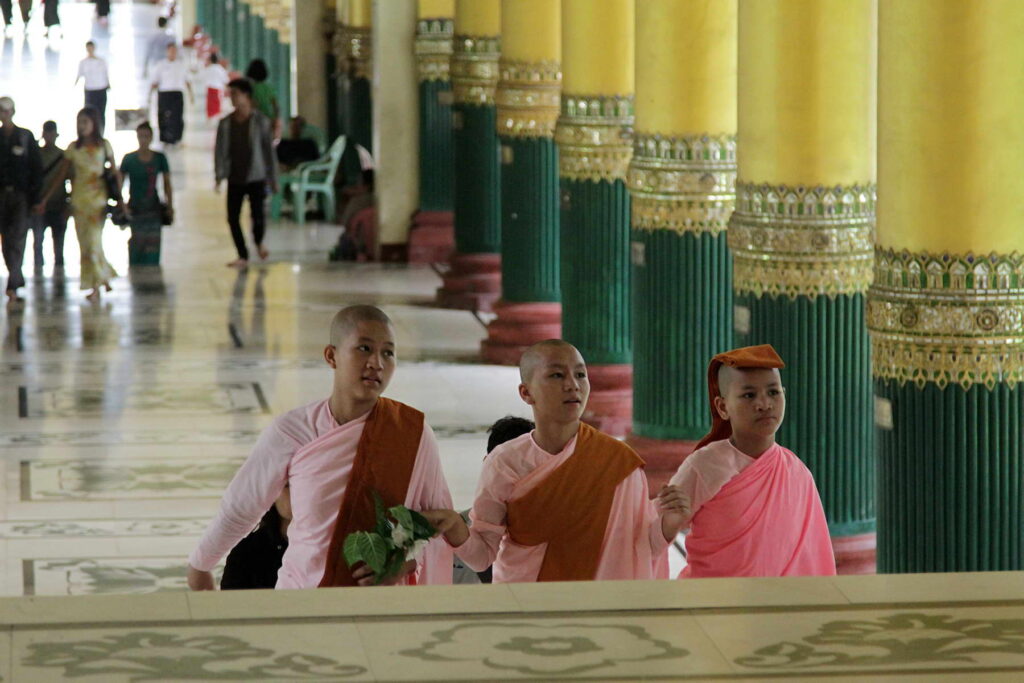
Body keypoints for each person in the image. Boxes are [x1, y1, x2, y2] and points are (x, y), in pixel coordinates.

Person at [187, 305, 455, 590]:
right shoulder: (292, 431)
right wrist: (201, 564)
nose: (377, 362)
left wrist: (405, 564)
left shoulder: (413, 433)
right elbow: (241, 507)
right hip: (302, 598)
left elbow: (438, 523)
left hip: (381, 603)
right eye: (364, 348)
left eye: (388, 353)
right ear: (331, 356)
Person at [423, 340, 686, 583]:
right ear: (526, 393)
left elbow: (638, 545)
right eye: (556, 375)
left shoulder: (618, 464)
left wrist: (669, 523)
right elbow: (482, 557)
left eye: (580, 374)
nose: (572, 384)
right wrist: (456, 528)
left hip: (596, 603)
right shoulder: (505, 463)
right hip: (525, 600)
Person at [663, 344, 837, 578]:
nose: (764, 404)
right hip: (712, 601)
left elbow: (814, 557)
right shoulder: (705, 465)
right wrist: (670, 523)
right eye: (749, 395)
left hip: (777, 606)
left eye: (773, 392)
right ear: (722, 407)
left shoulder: (797, 472)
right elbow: (653, 532)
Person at [36, 107, 123, 302]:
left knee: (94, 241)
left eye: (85, 122)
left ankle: (97, 283)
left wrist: (121, 200)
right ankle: (100, 279)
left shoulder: (104, 146)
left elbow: (115, 174)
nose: (82, 126)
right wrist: (46, 198)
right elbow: (61, 177)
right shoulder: (73, 149)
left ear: (94, 124)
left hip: (98, 201)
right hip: (79, 202)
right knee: (86, 244)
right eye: (79, 122)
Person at [215, 78, 277, 268]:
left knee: (258, 215)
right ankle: (242, 254)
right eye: (230, 94)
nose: (232, 98)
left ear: (246, 96)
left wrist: (273, 178)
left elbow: (268, 151)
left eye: (235, 94)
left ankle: (258, 242)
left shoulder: (260, 122)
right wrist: (219, 176)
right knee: (232, 217)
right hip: (235, 175)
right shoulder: (226, 123)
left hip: (256, 176)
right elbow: (220, 151)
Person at [0, 96, 42, 306]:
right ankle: (15, 276)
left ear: (13, 112)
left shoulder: (25, 137)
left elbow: (36, 169)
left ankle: (13, 283)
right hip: (1, 196)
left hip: (21, 196)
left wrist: (36, 198)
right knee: (6, 240)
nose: (3, 115)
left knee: (17, 237)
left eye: (6, 111)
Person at [120, 122, 173, 265]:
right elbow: (119, 183)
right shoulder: (129, 159)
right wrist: (122, 205)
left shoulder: (159, 158)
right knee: (137, 243)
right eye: (140, 136)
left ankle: (152, 270)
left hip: (153, 207)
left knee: (152, 246)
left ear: (151, 137)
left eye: (146, 136)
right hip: (136, 207)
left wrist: (169, 205)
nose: (143, 140)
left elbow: (167, 183)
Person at [220, 486, 291, 590]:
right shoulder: (247, 551)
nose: (298, 492)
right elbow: (230, 603)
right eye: (288, 485)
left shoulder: (322, 549)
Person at [32, 121, 69, 270]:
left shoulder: (63, 156)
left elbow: (70, 178)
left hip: (58, 204)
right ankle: (38, 271)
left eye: (51, 133)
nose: (49, 136)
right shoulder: (36, 155)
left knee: (59, 243)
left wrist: (68, 204)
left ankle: (59, 271)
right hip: (39, 205)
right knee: (38, 241)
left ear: (56, 135)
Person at [149, 43, 193, 146]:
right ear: (167, 51)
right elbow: (154, 82)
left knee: (177, 116)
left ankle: (177, 138)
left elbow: (188, 81)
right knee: (163, 116)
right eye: (171, 51)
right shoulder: (161, 65)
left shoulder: (181, 65)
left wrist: (191, 95)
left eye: (174, 51)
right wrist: (149, 96)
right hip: (164, 93)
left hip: (177, 93)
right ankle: (164, 138)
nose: (173, 53)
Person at [75, 42, 111, 134]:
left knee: (101, 113)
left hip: (101, 88)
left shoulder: (101, 61)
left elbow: (105, 73)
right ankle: (89, 132)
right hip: (89, 89)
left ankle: (101, 132)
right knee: (89, 113)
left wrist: (108, 84)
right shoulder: (83, 62)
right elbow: (79, 75)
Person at [245, 59, 279, 135]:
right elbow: (276, 106)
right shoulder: (269, 88)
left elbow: (252, 105)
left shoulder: (250, 88)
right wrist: (276, 119)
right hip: (268, 119)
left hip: (254, 120)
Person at [201, 52, 230, 121]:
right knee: (217, 106)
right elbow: (226, 81)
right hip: (218, 90)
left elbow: (203, 78)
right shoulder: (221, 69)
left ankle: (209, 120)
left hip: (209, 89)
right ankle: (216, 121)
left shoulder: (208, 69)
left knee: (210, 106)